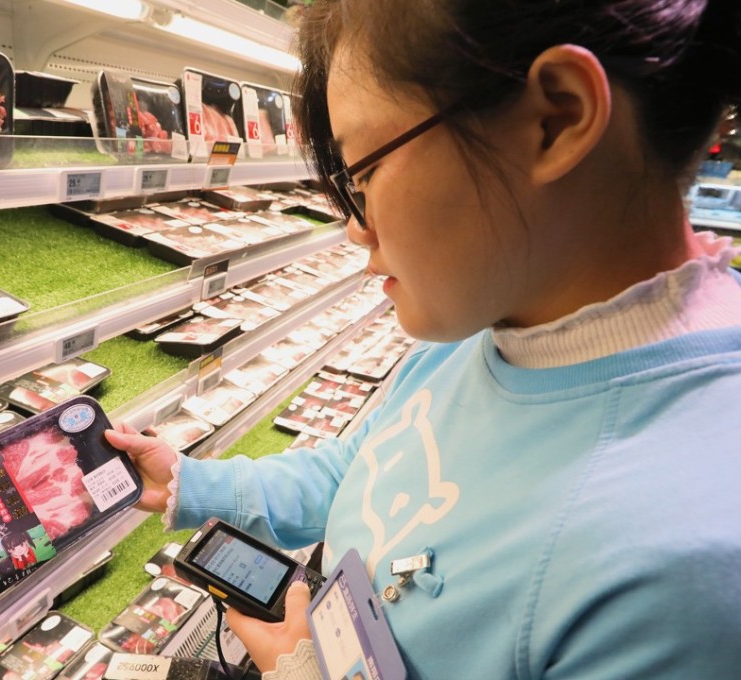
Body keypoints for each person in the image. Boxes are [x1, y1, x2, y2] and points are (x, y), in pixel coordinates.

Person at [105, 0, 741, 677]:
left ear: (556, 119)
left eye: (363, 174)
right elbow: (361, 470)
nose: (356, 226)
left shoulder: (683, 576)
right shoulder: (491, 328)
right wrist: (191, 481)